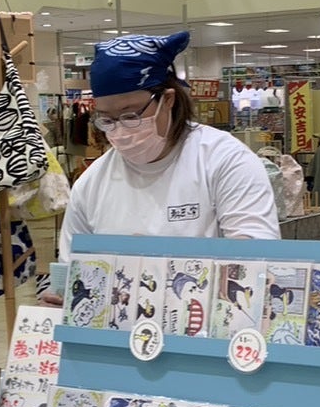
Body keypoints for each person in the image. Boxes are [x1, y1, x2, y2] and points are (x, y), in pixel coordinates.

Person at [58, 31, 280, 261]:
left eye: (131, 115)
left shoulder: (224, 160)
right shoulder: (92, 182)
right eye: (107, 119)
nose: (120, 130)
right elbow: (71, 266)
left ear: (168, 100)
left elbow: (256, 253)